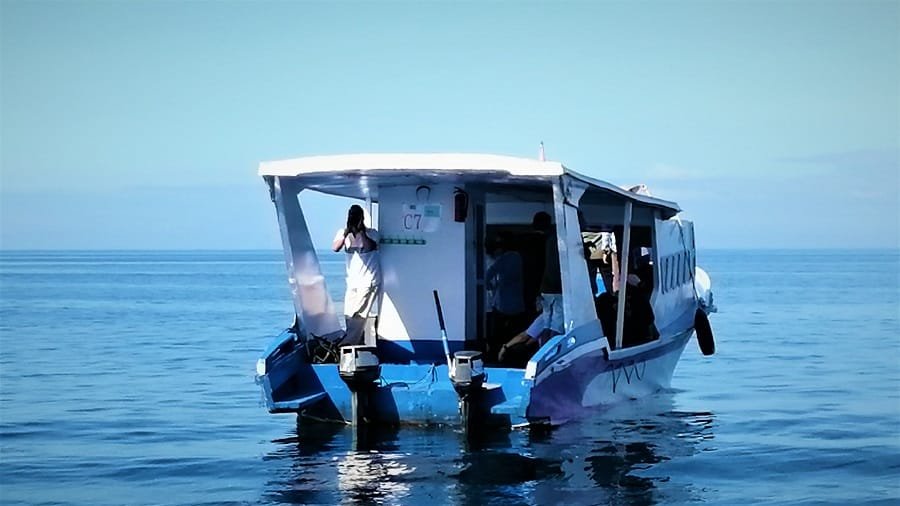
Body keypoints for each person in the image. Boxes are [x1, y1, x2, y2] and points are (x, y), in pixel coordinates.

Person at [497, 212, 563, 366]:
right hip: (547, 288)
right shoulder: (551, 241)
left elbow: (525, 336)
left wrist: (505, 347)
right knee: (547, 325)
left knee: (540, 325)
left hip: (534, 289)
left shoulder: (524, 244)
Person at [332, 204, 381, 345]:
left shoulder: (372, 233)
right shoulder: (343, 233)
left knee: (358, 315)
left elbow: (369, 246)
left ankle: (345, 345)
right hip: (352, 281)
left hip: (368, 281)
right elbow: (335, 247)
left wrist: (361, 232)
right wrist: (347, 232)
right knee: (349, 314)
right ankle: (355, 342)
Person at [484, 232, 525, 360]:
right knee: (515, 330)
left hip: (503, 303)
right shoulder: (518, 257)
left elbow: (488, 274)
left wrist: (488, 285)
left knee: (498, 331)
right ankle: (514, 353)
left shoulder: (503, 259)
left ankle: (497, 354)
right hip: (517, 302)